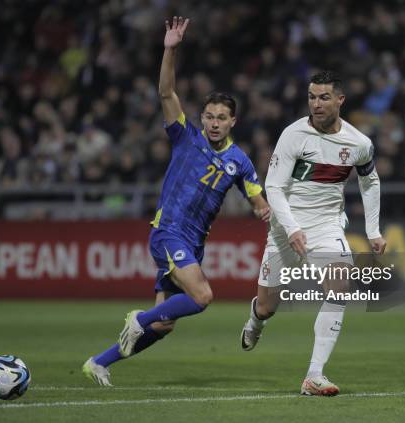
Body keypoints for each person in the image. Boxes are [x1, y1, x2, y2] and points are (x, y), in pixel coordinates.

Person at [83, 16, 270, 386]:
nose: (214, 123)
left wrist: (265, 209)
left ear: (233, 122)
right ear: (202, 118)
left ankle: (99, 362)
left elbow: (257, 200)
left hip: (193, 244)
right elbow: (166, 94)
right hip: (169, 232)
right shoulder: (187, 137)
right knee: (202, 296)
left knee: (163, 323)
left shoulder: (241, 162)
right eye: (210, 116)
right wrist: (169, 49)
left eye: (222, 118)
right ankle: (136, 319)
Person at [240, 71, 386, 396]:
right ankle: (255, 322)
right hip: (284, 226)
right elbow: (274, 186)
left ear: (339, 100)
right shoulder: (293, 135)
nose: (315, 104)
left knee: (340, 283)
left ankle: (314, 375)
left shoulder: (359, 143)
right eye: (311, 97)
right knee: (267, 306)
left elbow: (370, 181)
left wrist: (373, 230)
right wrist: (291, 228)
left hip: (326, 225)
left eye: (323, 97)